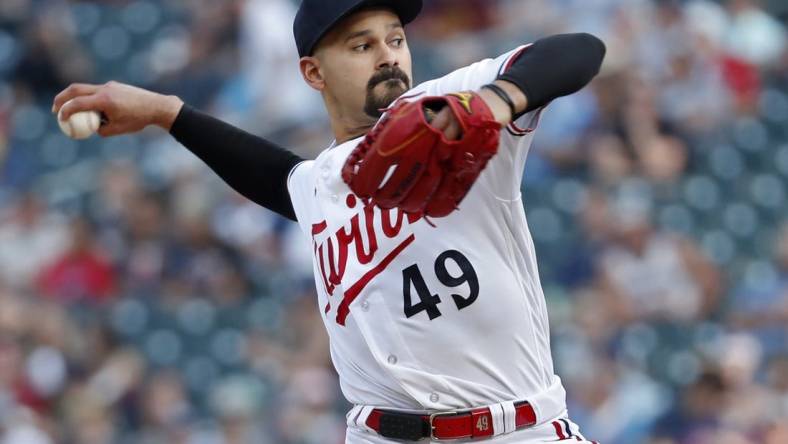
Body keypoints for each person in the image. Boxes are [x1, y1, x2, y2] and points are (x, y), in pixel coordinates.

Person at [52, 0, 606, 441]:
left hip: (515, 429)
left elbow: (580, 48)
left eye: (395, 38)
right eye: (361, 45)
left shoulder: (444, 108)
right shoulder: (320, 183)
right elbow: (276, 177)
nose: (388, 56)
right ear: (313, 72)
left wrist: (495, 101)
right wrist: (164, 112)